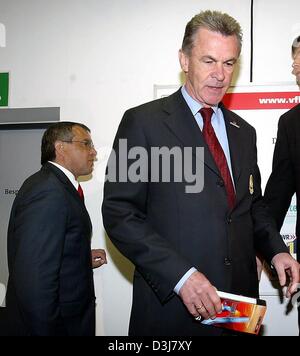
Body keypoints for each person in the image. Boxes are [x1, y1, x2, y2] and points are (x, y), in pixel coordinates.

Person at [102, 10, 299, 336]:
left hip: (237, 312)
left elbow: (254, 207)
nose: (220, 75)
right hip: (173, 312)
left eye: (229, 63)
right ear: (184, 60)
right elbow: (120, 212)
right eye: (209, 61)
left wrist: (277, 250)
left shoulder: (243, 132)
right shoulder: (143, 123)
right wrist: (181, 276)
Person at [1, 122, 107, 336]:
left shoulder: (57, 186)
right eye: (86, 144)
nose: (94, 152)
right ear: (60, 148)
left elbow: (47, 253)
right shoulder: (48, 191)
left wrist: (78, 258)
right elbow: (35, 278)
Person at [264, 35, 300, 333]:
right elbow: (276, 197)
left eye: (298, 60)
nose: (294, 69)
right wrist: (264, 247)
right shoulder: (291, 123)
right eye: (293, 62)